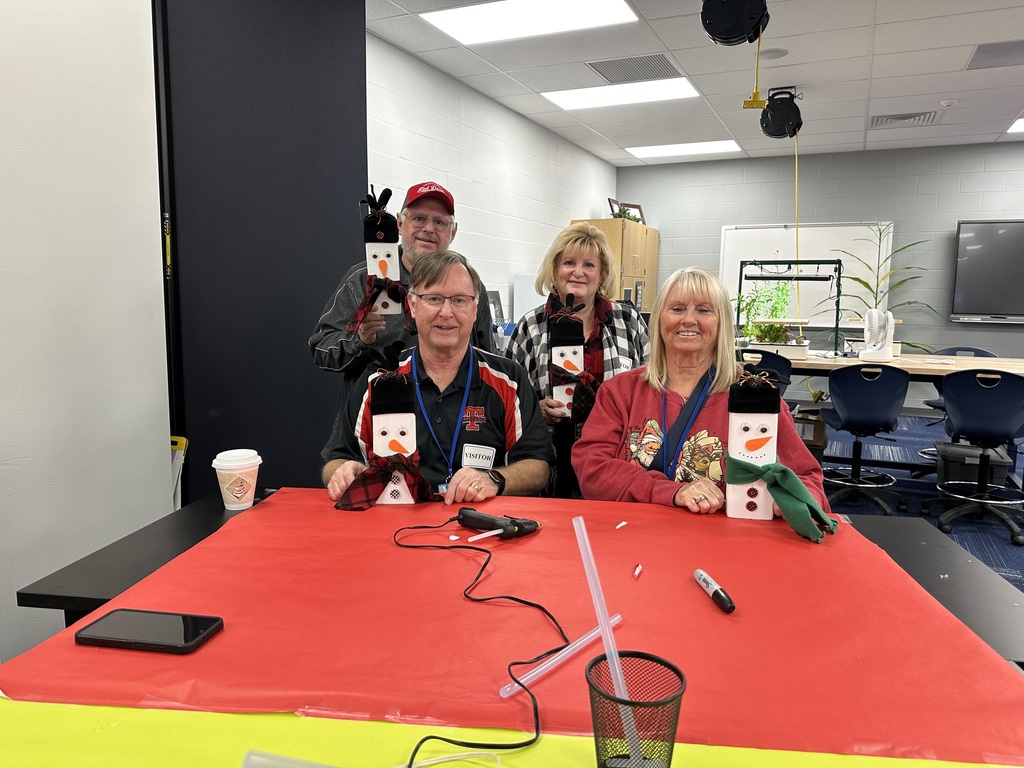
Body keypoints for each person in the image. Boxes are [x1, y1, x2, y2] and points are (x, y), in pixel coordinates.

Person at [572, 266, 829, 516]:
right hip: (633, 538)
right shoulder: (621, 392)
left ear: (721, 324)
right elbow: (592, 470)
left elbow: (808, 478)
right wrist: (669, 491)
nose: (688, 319)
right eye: (677, 309)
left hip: (724, 548)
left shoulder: (754, 396)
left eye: (704, 310)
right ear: (660, 318)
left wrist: (796, 500)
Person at [323, 250, 554, 506]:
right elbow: (336, 459)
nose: (446, 312)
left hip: (482, 531)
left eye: (459, 300)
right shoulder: (377, 380)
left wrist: (494, 479)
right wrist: (343, 472)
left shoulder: (509, 379)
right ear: (412, 306)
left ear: (475, 309)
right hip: (391, 530)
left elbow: (538, 467)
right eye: (433, 299)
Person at [506, 222, 649, 497]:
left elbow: (652, 389)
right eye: (569, 262)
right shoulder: (530, 326)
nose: (578, 272)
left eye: (589, 265)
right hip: (549, 465)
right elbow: (508, 402)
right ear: (555, 269)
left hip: (615, 463)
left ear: (602, 273)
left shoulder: (628, 322)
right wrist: (537, 410)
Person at [308, 181, 493, 377]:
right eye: (419, 218)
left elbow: (487, 359)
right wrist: (359, 340)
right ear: (399, 224)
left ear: (453, 232)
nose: (429, 228)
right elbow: (321, 349)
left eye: (439, 222)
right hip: (374, 403)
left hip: (449, 403)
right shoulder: (362, 280)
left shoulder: (468, 288)